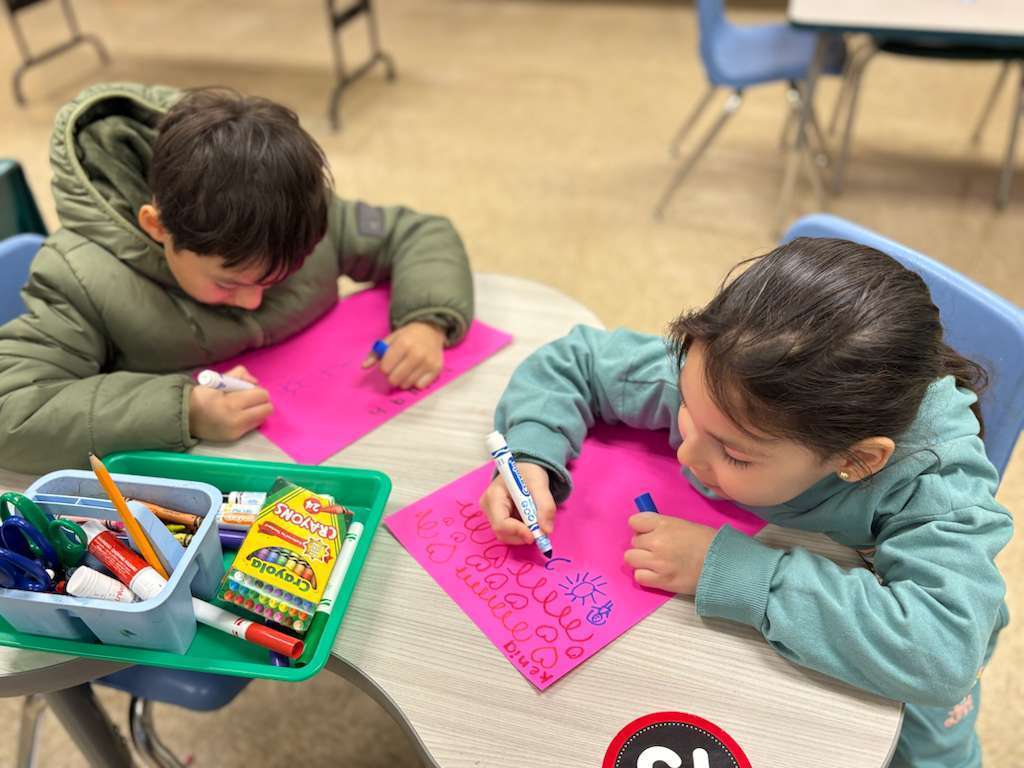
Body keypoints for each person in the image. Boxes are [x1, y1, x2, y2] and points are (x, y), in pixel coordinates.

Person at [479, 237, 1011, 767]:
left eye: (733, 454)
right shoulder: (726, 376)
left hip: (905, 685)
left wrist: (729, 568)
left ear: (857, 461)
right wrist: (532, 457)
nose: (688, 452)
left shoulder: (934, 477)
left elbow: (941, 651)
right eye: (686, 406)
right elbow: (575, 362)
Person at [0, 83, 474, 472]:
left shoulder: (292, 218)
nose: (251, 302)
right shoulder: (79, 277)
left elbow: (419, 233)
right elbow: (13, 408)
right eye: (229, 282)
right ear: (157, 226)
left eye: (276, 278)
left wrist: (425, 320)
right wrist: (183, 410)